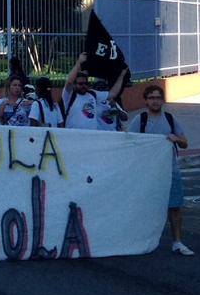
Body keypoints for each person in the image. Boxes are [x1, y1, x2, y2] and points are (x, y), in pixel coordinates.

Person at [128, 85, 193, 256]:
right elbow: (129, 142)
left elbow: (185, 142)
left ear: (162, 100)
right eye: (151, 98)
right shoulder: (140, 120)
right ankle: (141, 240)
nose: (155, 101)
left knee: (175, 206)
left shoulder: (170, 119)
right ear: (146, 100)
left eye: (158, 97)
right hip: (146, 172)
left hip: (170, 170)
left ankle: (177, 242)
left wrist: (176, 139)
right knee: (144, 206)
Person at [61, 53, 128, 130]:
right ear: (74, 85)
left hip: (92, 138)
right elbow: (69, 82)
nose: (83, 86)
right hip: (74, 137)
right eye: (80, 83)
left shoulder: (92, 94)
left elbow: (113, 93)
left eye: (86, 83)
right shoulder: (69, 96)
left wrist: (122, 75)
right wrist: (79, 63)